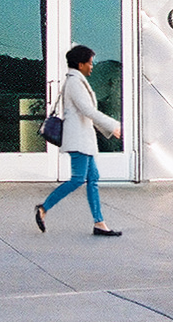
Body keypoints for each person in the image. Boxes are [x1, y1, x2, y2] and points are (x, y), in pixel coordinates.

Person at [35, 44, 123, 237]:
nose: (92, 66)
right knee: (77, 179)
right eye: (90, 63)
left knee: (93, 178)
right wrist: (113, 126)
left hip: (84, 140)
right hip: (78, 141)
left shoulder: (77, 80)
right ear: (80, 64)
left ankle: (99, 223)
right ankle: (43, 208)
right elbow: (88, 111)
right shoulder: (75, 83)